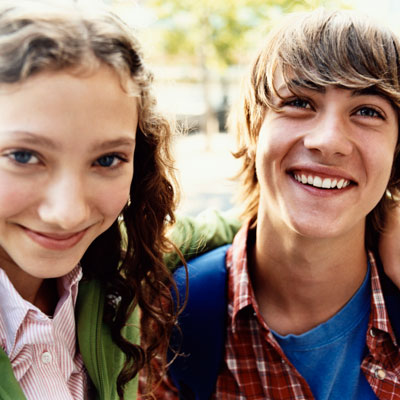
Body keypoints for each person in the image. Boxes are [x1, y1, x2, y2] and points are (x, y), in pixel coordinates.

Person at [159, 9, 400, 400]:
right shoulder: (172, 315)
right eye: (300, 102)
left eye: (368, 112)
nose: (328, 140)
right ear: (254, 127)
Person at [0, 1, 197, 398]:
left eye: (107, 160)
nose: (67, 213)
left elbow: (197, 230)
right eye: (24, 157)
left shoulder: (115, 270)